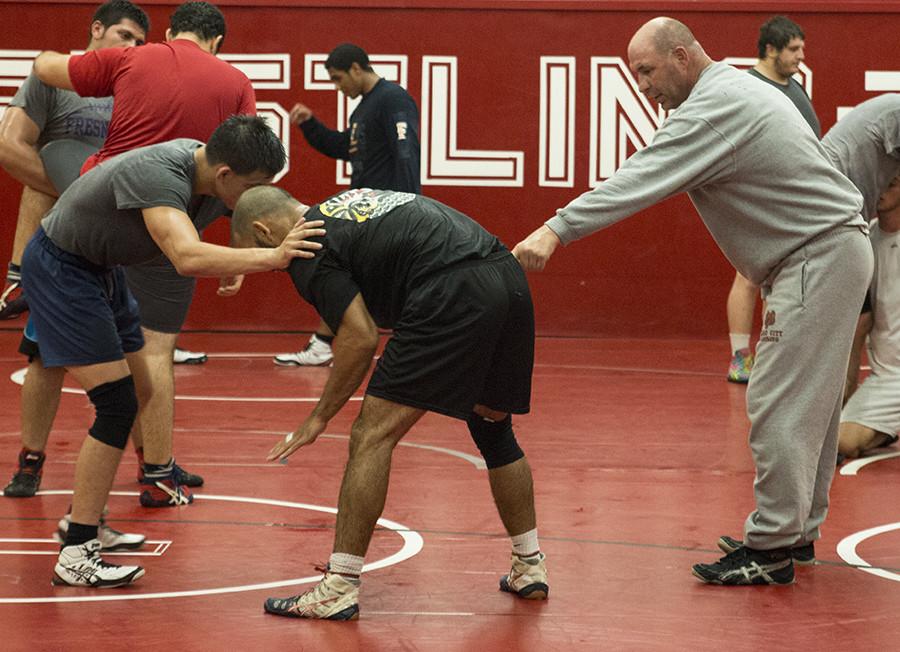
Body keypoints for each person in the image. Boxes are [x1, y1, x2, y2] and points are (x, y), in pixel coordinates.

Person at [513, 17, 872, 585]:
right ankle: (795, 531)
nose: (644, 86)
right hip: (827, 254)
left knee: (778, 402)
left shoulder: (713, 106)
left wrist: (556, 229)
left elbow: (641, 176)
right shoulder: (731, 88)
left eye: (648, 71)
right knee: (814, 410)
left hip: (815, 258)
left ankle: (773, 547)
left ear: (682, 56)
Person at [22, 115, 324, 587]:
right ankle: (76, 550)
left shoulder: (210, 168)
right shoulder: (162, 174)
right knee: (116, 404)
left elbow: (276, 211)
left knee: (141, 389)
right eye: (252, 187)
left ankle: (86, 516)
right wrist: (270, 257)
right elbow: (185, 257)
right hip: (63, 270)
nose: (254, 198)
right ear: (225, 175)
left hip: (102, 269)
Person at [230, 185, 547, 619]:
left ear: (265, 232)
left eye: (264, 260)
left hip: (450, 288)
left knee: (370, 435)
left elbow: (360, 337)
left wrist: (318, 417)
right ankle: (529, 566)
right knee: (493, 427)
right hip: (506, 276)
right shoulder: (342, 207)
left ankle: (339, 586)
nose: (273, 269)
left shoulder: (306, 246)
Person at [28, 1, 257, 506]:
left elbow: (46, 67)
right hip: (172, 229)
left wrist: (61, 54)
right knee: (151, 354)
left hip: (102, 229)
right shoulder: (236, 82)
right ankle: (154, 469)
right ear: (217, 41)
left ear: (171, 32)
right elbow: (243, 172)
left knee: (77, 363)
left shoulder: (135, 56)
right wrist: (244, 249)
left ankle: (39, 467)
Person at [274, 42, 421, 368]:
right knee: (358, 277)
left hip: (388, 212)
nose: (338, 87)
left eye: (339, 79)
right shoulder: (364, 109)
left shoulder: (392, 98)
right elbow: (345, 148)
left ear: (357, 68)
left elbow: (406, 149)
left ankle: (325, 344)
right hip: (369, 211)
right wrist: (311, 124)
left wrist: (411, 205)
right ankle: (323, 343)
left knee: (364, 277)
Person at [0, 1, 147, 323]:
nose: (131, 46)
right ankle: (21, 278)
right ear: (97, 29)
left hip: (113, 224)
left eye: (138, 42)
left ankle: (152, 331)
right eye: (124, 35)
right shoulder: (52, 78)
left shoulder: (134, 91)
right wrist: (78, 191)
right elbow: (8, 146)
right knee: (45, 176)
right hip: (65, 228)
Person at [725, 15, 821, 383]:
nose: (800, 56)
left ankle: (774, 356)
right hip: (759, 198)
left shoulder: (795, 88)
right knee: (748, 275)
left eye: (801, 48)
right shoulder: (747, 88)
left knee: (784, 279)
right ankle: (739, 358)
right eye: (793, 49)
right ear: (770, 49)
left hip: (795, 200)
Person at [839, 175, 900, 460]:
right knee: (842, 443)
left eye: (893, 183)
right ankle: (886, 429)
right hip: (887, 379)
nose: (883, 189)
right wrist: (846, 393)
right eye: (882, 181)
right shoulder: (865, 240)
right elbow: (859, 325)